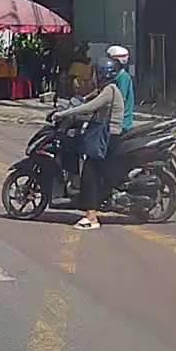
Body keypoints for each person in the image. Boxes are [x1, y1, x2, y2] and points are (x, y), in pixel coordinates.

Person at [52, 57, 125, 230]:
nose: (92, 77)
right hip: (108, 136)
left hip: (108, 138)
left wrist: (64, 114)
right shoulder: (106, 89)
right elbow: (87, 100)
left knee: (90, 173)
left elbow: (90, 107)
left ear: (101, 75)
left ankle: (91, 217)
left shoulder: (109, 91)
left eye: (94, 73)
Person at [107, 45, 135, 132]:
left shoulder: (123, 77)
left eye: (112, 61)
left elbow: (120, 99)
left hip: (121, 122)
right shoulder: (116, 77)